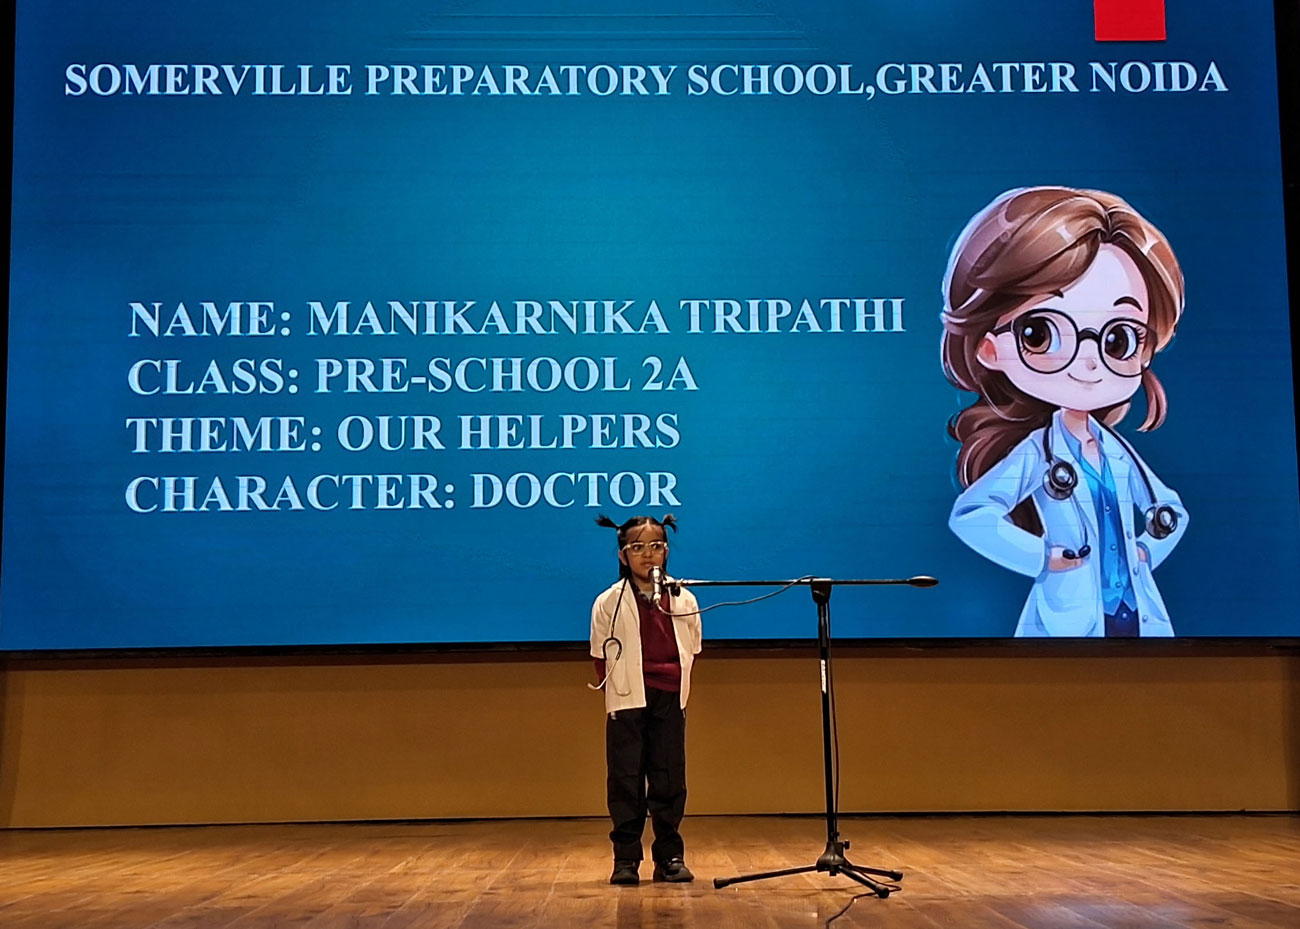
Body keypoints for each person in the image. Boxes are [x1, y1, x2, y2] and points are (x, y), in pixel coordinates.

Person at [941, 186, 1189, 637]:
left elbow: (1171, 510)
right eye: (1040, 333)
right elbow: (972, 514)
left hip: (1138, 622)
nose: (1089, 361)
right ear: (990, 349)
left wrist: (1145, 552)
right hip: (1067, 625)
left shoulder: (1118, 453)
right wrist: (1042, 557)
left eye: (1118, 339)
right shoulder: (1039, 453)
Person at [590, 513, 701, 885]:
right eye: (637, 547)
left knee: (669, 778)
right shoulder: (608, 602)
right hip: (627, 698)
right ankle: (625, 859)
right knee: (626, 779)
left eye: (656, 546)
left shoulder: (684, 598)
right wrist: (619, 694)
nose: (647, 554)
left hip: (669, 696)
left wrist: (675, 685)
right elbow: (599, 656)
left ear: (666, 551)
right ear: (623, 555)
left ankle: (669, 856)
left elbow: (693, 649)